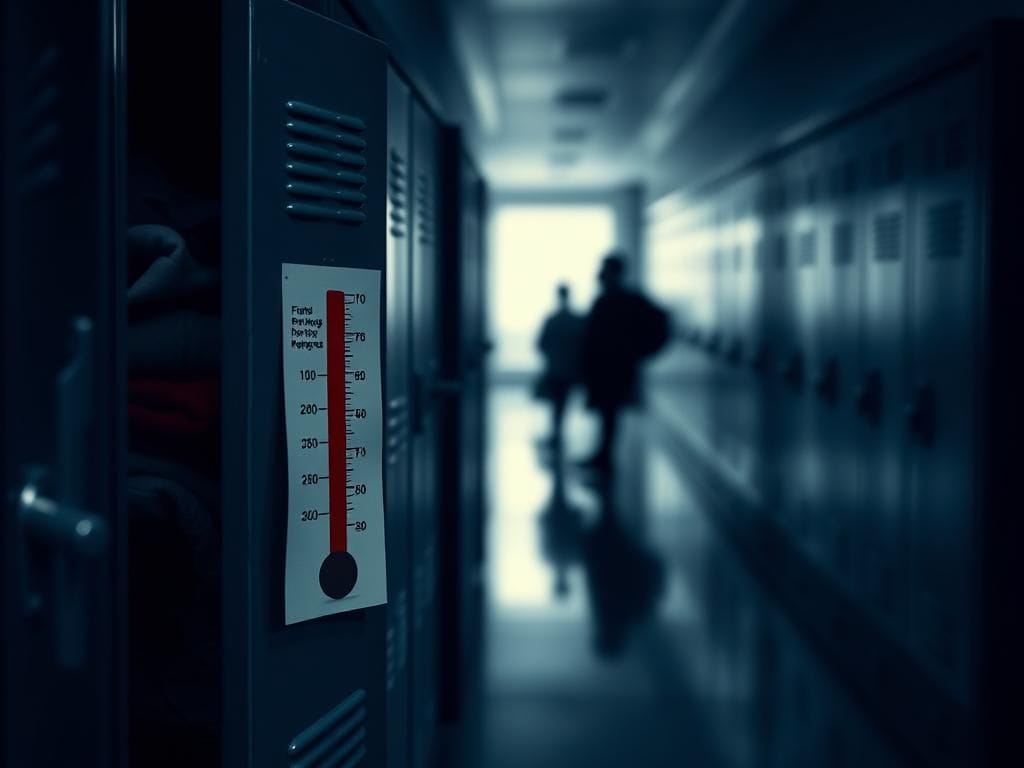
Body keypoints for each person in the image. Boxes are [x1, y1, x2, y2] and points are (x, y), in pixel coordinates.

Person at [579, 253, 669, 471]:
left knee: (609, 411)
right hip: (605, 367)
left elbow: (661, 324)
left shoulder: (627, 301)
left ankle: (604, 457)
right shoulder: (608, 299)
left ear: (614, 273)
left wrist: (639, 352)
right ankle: (603, 454)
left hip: (614, 368)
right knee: (607, 413)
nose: (600, 274)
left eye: (604, 270)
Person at [535, 283, 585, 444]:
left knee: (557, 403)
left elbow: (541, 344)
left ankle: (556, 433)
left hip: (556, 368)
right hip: (571, 368)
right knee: (563, 402)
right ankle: (558, 432)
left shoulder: (552, 320)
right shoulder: (577, 320)